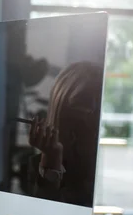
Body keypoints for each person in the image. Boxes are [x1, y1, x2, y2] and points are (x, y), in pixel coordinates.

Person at [27, 61, 103, 206]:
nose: (93, 112)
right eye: (83, 101)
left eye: (99, 101)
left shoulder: (99, 166)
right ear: (61, 107)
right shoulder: (39, 164)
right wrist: (51, 161)